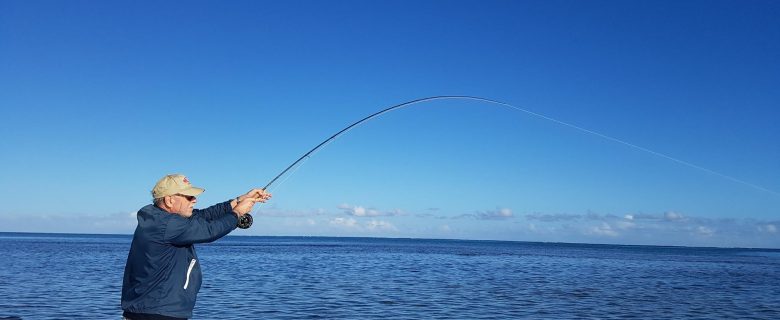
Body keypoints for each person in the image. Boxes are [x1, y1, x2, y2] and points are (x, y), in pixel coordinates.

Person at [121, 174, 271, 320]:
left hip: (150, 310)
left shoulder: (160, 218)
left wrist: (240, 200)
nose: (194, 200)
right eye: (189, 197)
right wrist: (238, 212)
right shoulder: (167, 225)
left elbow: (205, 215)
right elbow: (209, 231)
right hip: (158, 312)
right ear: (169, 200)